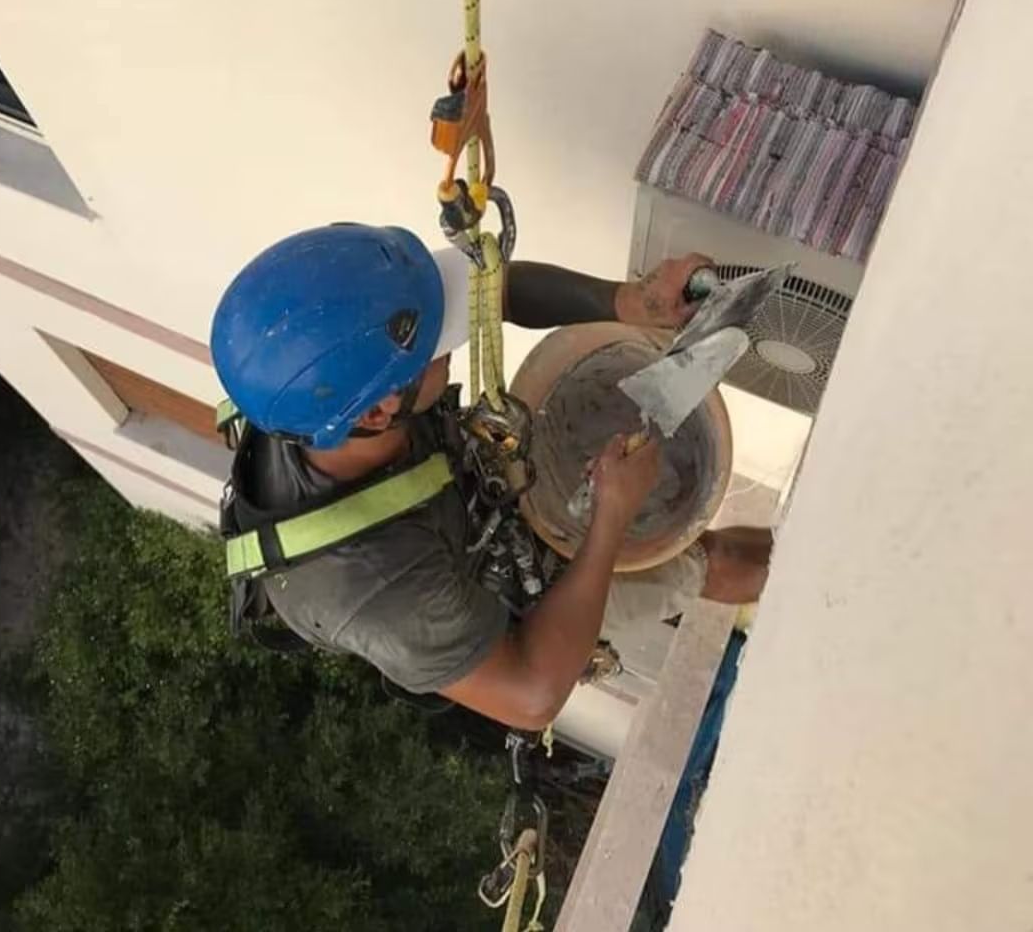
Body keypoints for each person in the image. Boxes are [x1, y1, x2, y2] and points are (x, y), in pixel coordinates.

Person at [211, 223, 771, 730]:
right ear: (378, 412)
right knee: (706, 562)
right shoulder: (377, 592)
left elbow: (486, 294)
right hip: (490, 595)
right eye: (439, 343)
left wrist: (627, 301)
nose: (456, 338)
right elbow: (532, 696)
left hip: (458, 494)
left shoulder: (338, 373)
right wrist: (611, 519)